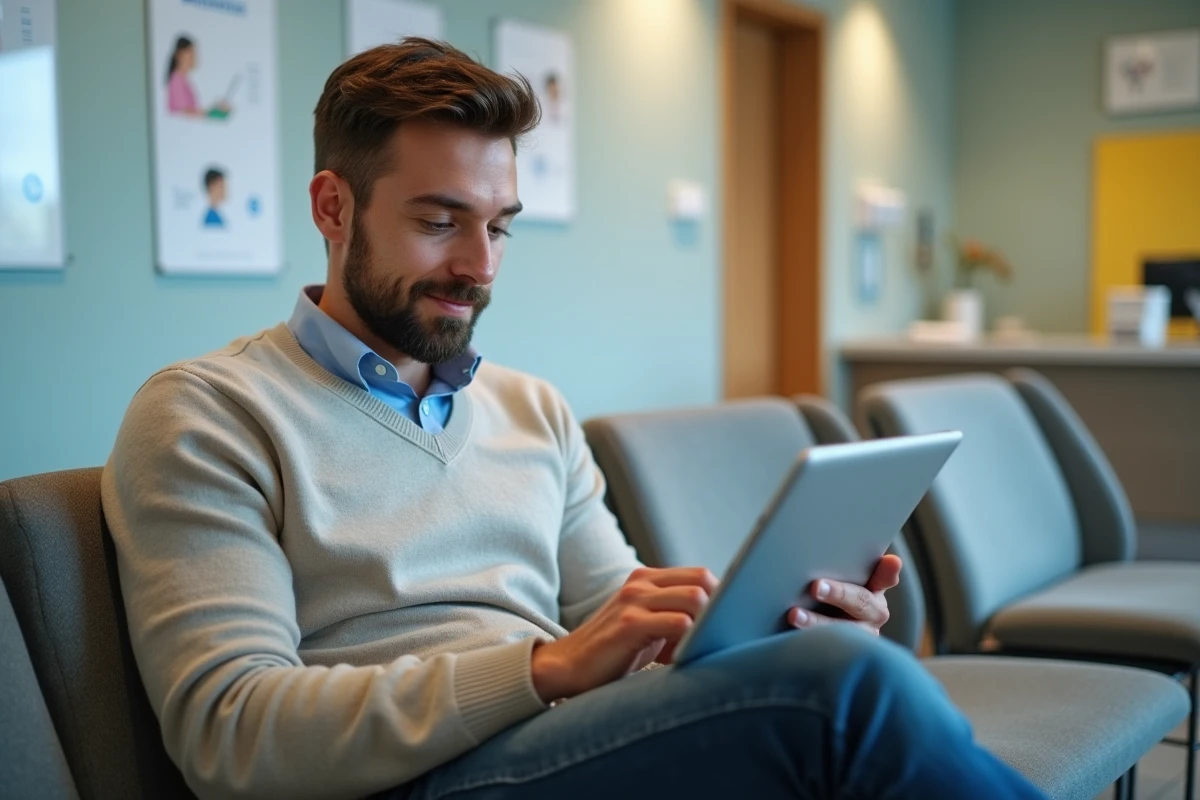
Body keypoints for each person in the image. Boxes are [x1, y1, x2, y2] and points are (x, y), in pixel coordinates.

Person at [102, 38, 1046, 800]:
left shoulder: (530, 409)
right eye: (440, 221)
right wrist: (543, 669)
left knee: (835, 666)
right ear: (332, 206)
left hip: (557, 751)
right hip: (412, 782)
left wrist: (773, 635)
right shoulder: (207, 414)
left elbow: (621, 628)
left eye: (499, 224)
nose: (481, 265)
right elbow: (230, 736)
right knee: (845, 698)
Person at [165, 35, 231, 118]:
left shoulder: (183, 79)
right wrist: (212, 113)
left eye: (194, 53)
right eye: (191, 53)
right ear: (179, 55)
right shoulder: (177, 80)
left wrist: (215, 110)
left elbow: (190, 111)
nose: (194, 57)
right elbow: (185, 113)